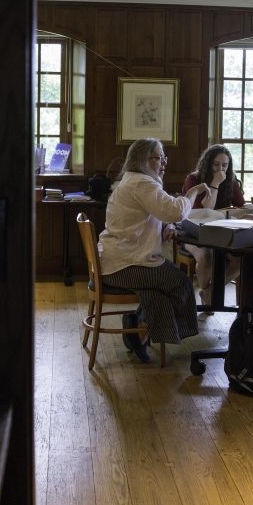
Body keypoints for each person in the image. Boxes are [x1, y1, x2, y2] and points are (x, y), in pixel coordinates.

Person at [99, 138, 210, 363]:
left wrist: (166, 224)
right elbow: (176, 211)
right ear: (142, 160)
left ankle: (139, 328)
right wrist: (194, 191)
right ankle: (142, 330)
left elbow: (154, 214)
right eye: (159, 158)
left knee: (158, 291)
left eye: (163, 158)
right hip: (125, 264)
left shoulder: (134, 181)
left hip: (118, 259)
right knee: (181, 283)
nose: (163, 163)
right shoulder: (142, 183)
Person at [181, 144, 246, 306]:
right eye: (216, 164)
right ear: (208, 163)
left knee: (242, 261)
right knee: (206, 257)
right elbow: (205, 210)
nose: (220, 169)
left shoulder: (231, 180)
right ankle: (207, 299)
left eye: (225, 165)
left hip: (222, 232)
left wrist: (246, 210)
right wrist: (215, 183)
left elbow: (241, 206)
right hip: (194, 232)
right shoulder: (193, 179)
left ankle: (208, 293)